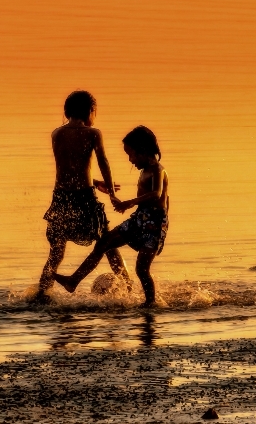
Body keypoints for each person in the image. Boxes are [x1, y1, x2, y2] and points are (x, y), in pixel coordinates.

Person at [55, 126, 169, 307]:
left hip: (152, 225)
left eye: (132, 155)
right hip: (139, 219)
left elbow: (156, 194)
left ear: (144, 150)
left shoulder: (157, 169)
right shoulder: (144, 169)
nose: (131, 160)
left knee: (142, 269)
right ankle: (73, 281)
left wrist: (129, 202)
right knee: (104, 242)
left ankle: (151, 303)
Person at [35, 91, 132, 300]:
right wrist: (112, 193)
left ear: (67, 111)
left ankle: (42, 294)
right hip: (84, 199)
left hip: (61, 198)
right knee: (108, 243)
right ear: (91, 111)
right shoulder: (93, 133)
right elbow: (103, 162)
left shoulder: (56, 134)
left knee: (56, 253)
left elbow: (69, 167)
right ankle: (129, 287)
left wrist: (96, 183)